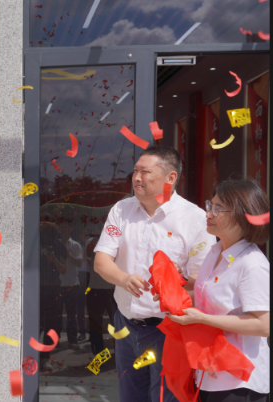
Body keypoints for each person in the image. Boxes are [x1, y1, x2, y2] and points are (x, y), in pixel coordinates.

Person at [94, 145, 217, 402]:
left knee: (165, 397)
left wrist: (174, 281)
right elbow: (101, 261)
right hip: (126, 326)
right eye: (135, 171)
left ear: (170, 177)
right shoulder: (121, 210)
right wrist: (124, 279)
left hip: (169, 329)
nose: (137, 178)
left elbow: (203, 282)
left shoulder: (195, 219)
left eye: (145, 172)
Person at [165, 179, 269, 402]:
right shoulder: (215, 252)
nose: (208, 214)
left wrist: (202, 319)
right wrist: (172, 292)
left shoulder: (252, 263)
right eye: (209, 205)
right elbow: (207, 298)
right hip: (210, 371)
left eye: (217, 208)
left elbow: (263, 325)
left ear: (242, 215)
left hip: (239, 380)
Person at [39, 221, 67, 370]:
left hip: (53, 289)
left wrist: (54, 259)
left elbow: (63, 269)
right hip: (36, 288)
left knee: (51, 324)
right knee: (36, 324)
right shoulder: (34, 244)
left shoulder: (59, 245)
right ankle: (29, 354)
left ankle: (45, 357)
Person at [85, 233, 118, 357]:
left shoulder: (115, 244)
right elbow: (88, 255)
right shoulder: (92, 243)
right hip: (95, 289)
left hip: (111, 289)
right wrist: (95, 243)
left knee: (116, 323)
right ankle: (98, 354)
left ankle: (119, 354)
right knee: (95, 324)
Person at [59, 222, 82, 350]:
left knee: (71, 315)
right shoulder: (56, 244)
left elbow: (79, 263)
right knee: (55, 314)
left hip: (72, 284)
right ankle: (54, 341)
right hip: (58, 284)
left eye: (65, 228)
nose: (63, 231)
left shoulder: (76, 245)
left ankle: (72, 341)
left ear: (70, 230)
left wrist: (67, 254)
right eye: (61, 228)